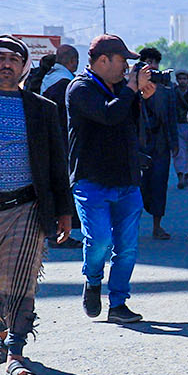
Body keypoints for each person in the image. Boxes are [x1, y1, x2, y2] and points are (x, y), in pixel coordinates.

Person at [0, 37, 72, 375]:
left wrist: (64, 211)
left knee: (21, 280)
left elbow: (57, 165)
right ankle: (0, 334)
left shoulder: (42, 108)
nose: (6, 65)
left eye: (13, 59)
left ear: (23, 66)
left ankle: (16, 351)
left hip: (26, 208)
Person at [68, 35, 154, 325]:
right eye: (123, 61)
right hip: (92, 180)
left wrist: (143, 96)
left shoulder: (123, 89)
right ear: (103, 60)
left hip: (127, 179)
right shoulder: (80, 88)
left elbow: (135, 124)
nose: (127, 68)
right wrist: (131, 88)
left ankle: (118, 303)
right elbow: (108, 115)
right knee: (99, 241)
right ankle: (93, 281)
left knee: (127, 247)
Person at [134, 46, 176, 241]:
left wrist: (174, 142)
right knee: (136, 188)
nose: (152, 65)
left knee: (159, 185)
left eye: (155, 62)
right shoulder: (132, 86)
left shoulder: (167, 88)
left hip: (160, 143)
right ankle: (131, 227)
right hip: (138, 144)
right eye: (148, 62)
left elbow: (171, 116)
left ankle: (157, 226)